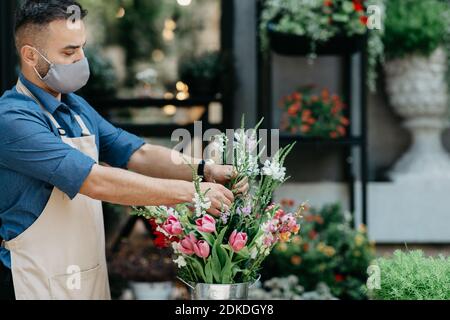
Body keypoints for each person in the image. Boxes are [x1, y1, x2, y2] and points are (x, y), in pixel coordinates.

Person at [0, 0, 248, 300]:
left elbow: (137, 153)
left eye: (82, 48)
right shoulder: (12, 118)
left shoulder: (75, 107)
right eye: (69, 51)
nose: (81, 59)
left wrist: (202, 168)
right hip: (34, 282)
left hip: (87, 274)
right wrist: (193, 192)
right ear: (30, 55)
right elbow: (94, 180)